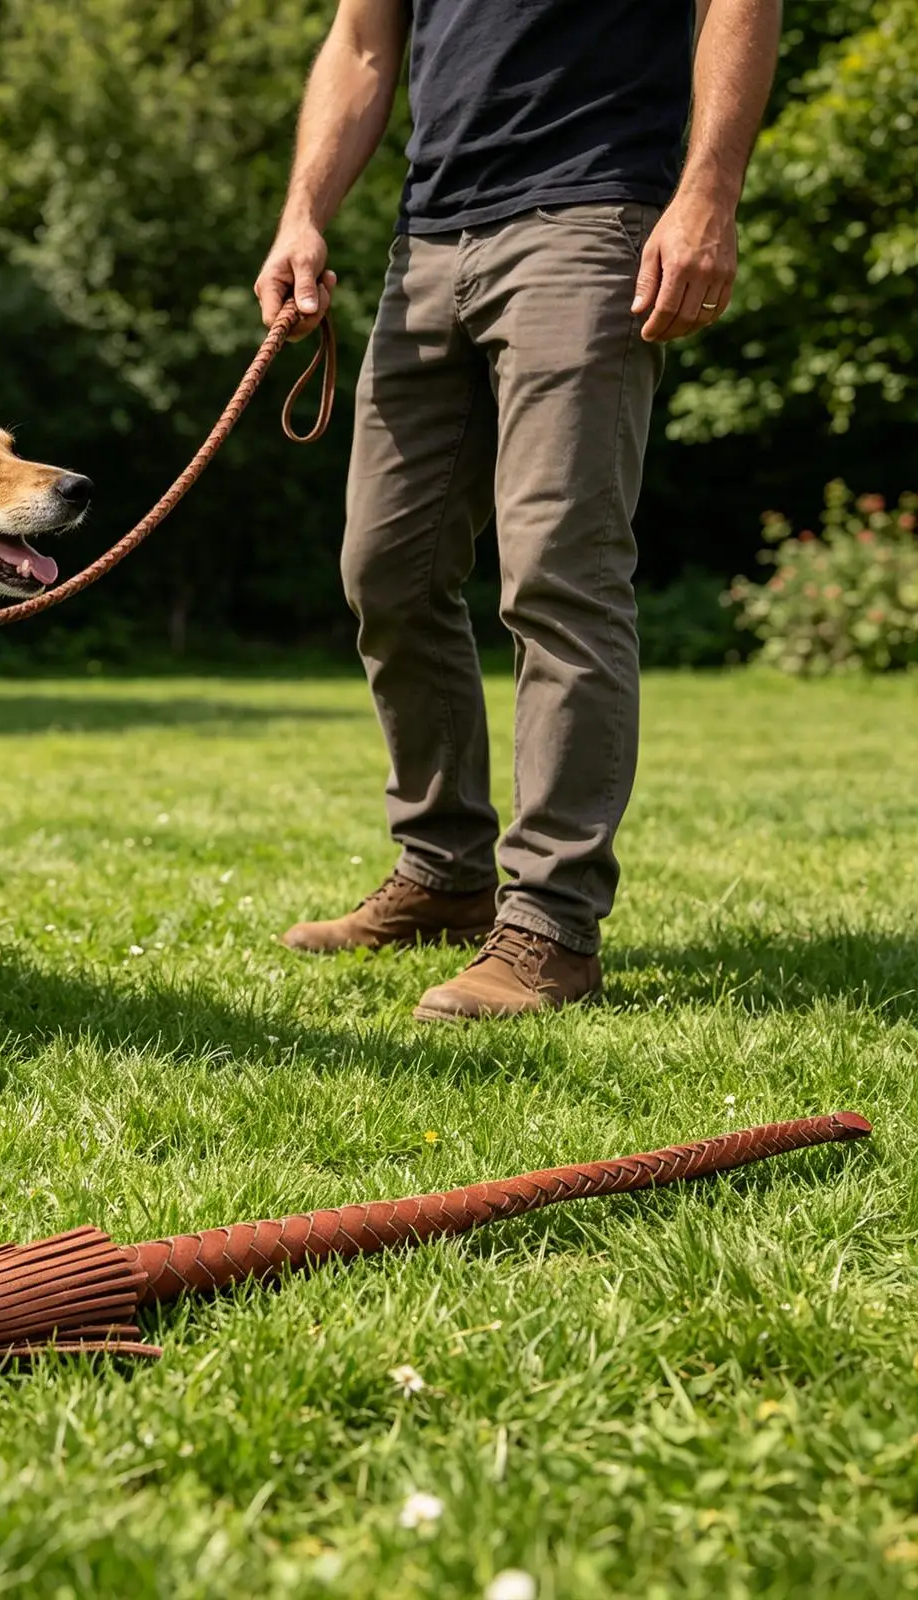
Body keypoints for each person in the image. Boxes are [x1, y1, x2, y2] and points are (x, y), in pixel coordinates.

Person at [256, 0, 780, 1020]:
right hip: (426, 243)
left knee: (557, 575)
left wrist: (708, 194)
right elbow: (361, 42)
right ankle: (444, 872)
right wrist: (302, 215)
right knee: (386, 571)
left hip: (589, 218)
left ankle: (550, 924)